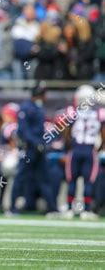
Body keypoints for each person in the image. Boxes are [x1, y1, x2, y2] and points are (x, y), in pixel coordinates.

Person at [8, 84, 57, 215]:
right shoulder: (26, 108)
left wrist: (41, 144)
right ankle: (12, 207)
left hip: (39, 148)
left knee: (45, 177)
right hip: (29, 149)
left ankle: (52, 208)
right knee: (21, 177)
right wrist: (35, 143)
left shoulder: (38, 107)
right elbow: (23, 131)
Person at [63, 85, 104, 220]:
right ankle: (85, 211)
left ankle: (69, 209)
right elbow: (103, 132)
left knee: (72, 180)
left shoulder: (72, 111)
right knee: (88, 181)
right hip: (89, 150)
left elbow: (66, 131)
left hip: (76, 149)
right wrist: (101, 146)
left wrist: (69, 145)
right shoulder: (99, 113)